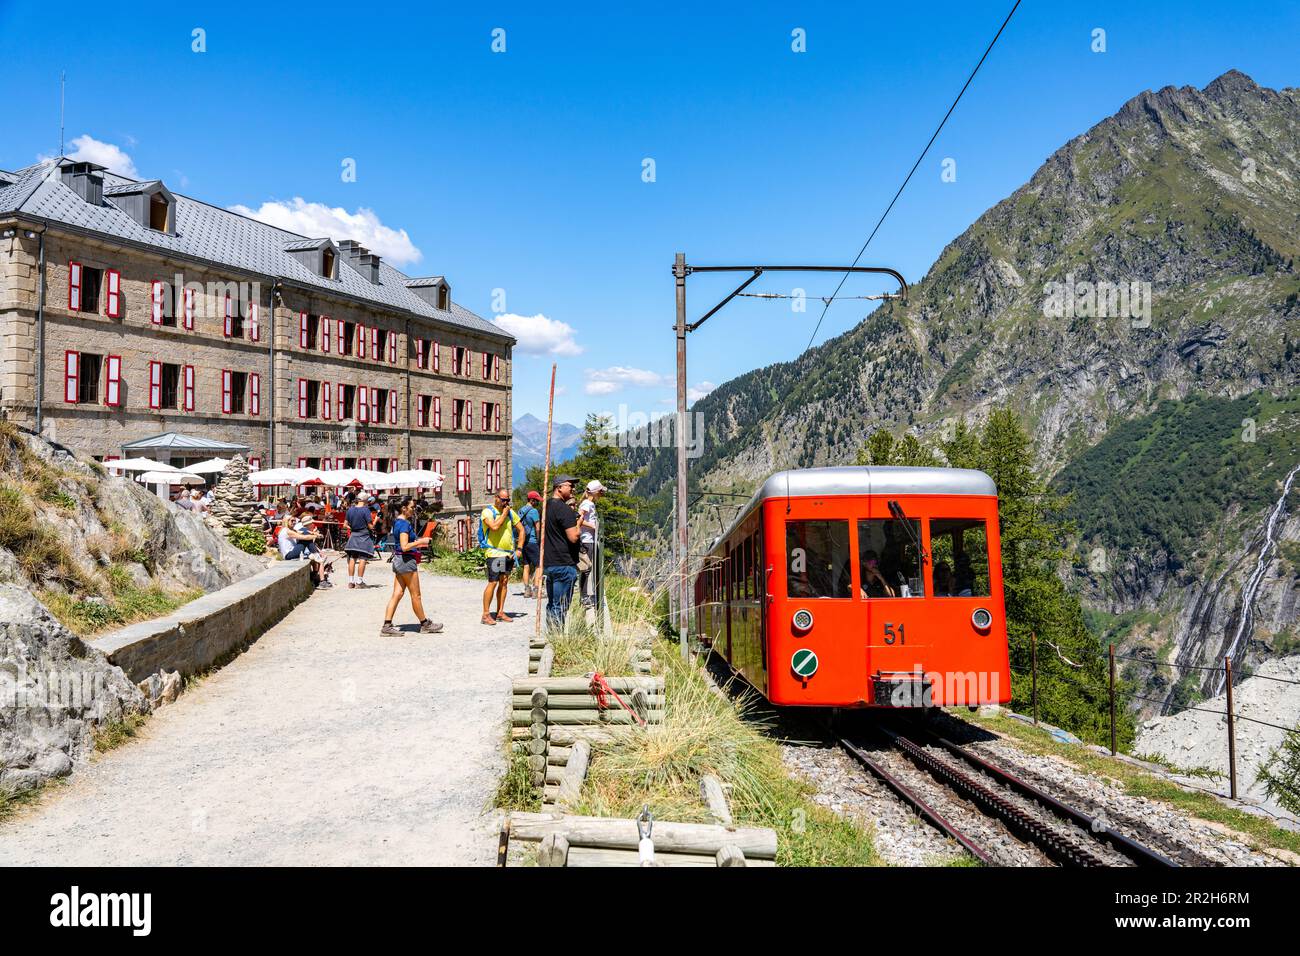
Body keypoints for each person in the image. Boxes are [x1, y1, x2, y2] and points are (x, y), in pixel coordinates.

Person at [381, 496, 442, 636]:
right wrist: (422, 542)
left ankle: (387, 626)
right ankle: (425, 624)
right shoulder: (403, 524)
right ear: (404, 508)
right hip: (406, 561)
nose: (414, 510)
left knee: (397, 593)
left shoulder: (398, 522)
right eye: (412, 507)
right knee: (416, 595)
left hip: (399, 560)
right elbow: (404, 546)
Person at [542, 475, 581, 630]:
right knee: (561, 605)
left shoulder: (546, 506)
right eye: (569, 486)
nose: (572, 489)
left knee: (552, 603)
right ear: (559, 487)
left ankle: (551, 635)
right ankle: (557, 639)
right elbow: (573, 537)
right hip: (564, 563)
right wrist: (579, 525)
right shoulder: (565, 509)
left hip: (550, 562)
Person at [480, 488, 524, 625]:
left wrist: (519, 549)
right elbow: (494, 527)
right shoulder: (488, 512)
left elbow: (522, 529)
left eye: (507, 500)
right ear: (496, 498)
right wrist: (504, 514)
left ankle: (500, 612)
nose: (505, 502)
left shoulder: (510, 513)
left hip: (507, 554)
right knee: (493, 582)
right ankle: (486, 614)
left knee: (504, 582)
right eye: (503, 499)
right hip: (494, 553)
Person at [278, 515, 333, 588]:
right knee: (305, 540)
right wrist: (316, 536)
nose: (294, 522)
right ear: (286, 521)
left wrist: (314, 534)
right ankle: (321, 579)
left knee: (305, 534)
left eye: (295, 521)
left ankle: (316, 575)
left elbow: (303, 532)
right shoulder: (286, 531)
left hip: (293, 552)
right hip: (289, 555)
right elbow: (304, 537)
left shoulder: (292, 530)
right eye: (292, 521)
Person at [577, 480, 605, 609]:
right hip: (586, 540)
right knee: (586, 569)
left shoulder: (589, 503)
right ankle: (584, 597)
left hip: (589, 539)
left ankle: (585, 595)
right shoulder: (587, 504)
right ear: (596, 492)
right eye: (601, 492)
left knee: (587, 569)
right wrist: (594, 526)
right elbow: (579, 519)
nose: (602, 495)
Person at [343, 491, 378, 588]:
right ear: (365, 500)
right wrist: (375, 521)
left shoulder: (350, 509)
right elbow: (370, 527)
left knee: (352, 559)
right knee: (363, 558)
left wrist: (353, 528)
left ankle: (351, 582)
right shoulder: (366, 510)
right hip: (364, 536)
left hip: (354, 535)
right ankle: (359, 581)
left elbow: (345, 525)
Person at [518, 491, 542, 598]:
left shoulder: (521, 510)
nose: (537, 503)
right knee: (539, 566)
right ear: (532, 500)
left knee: (526, 566)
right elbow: (537, 528)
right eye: (536, 501)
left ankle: (527, 590)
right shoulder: (534, 511)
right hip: (532, 541)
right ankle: (536, 590)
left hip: (523, 542)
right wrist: (539, 540)